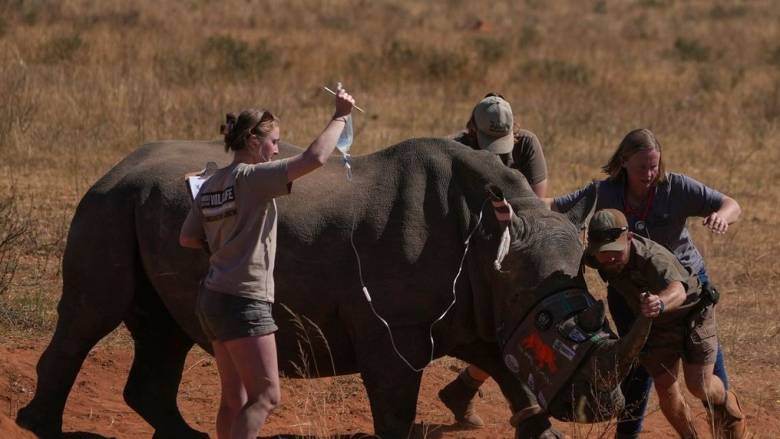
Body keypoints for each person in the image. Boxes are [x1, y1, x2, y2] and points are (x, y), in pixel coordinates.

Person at [179, 87, 354, 439]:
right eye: (273, 142)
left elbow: (187, 237)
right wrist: (340, 116)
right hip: (244, 301)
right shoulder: (251, 179)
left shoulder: (210, 183)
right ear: (252, 140)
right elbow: (315, 158)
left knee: (233, 400)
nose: (276, 149)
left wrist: (226, 244)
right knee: (266, 396)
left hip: (212, 297)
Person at [551, 128, 745, 439]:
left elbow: (730, 204)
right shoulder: (604, 192)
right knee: (650, 374)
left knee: (701, 379)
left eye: (654, 166)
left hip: (688, 290)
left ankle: (725, 413)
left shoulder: (676, 187)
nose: (650, 173)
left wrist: (722, 216)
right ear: (624, 161)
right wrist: (513, 202)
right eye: (643, 167)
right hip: (632, 292)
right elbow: (554, 206)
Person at [584, 208, 745, 439]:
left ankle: (726, 401)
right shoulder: (594, 257)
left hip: (691, 314)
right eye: (603, 252)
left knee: (699, 384)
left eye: (615, 251)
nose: (609, 258)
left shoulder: (652, 257)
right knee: (665, 390)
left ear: (629, 238)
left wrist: (659, 302)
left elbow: (678, 291)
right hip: (657, 324)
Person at [439, 93, 548, 428]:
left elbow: (535, 208)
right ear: (472, 129)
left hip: (514, 242)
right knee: (496, 330)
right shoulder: (454, 148)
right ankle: (468, 390)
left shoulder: (526, 145)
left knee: (514, 326)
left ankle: (464, 388)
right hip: (469, 250)